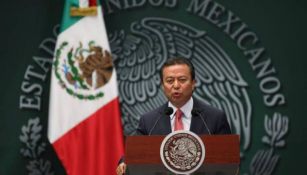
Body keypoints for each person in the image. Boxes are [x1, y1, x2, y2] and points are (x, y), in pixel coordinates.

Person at [116, 57, 231, 175]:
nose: (176, 86)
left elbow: (229, 159)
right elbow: (134, 153)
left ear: (193, 83)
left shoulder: (214, 117)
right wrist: (124, 163)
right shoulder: (149, 120)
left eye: (182, 80)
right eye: (170, 81)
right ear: (162, 85)